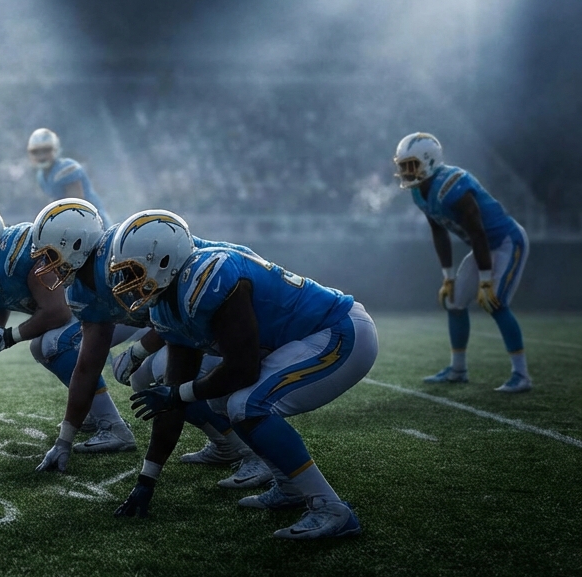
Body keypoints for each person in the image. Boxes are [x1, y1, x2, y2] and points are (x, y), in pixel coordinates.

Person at [99, 210, 377, 540]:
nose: (125, 285)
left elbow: (243, 370)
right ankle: (290, 486)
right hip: (302, 340)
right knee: (218, 399)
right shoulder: (167, 305)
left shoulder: (208, 276)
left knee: (246, 405)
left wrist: (179, 394)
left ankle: (331, 508)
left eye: (132, 272)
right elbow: (173, 398)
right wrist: (148, 479)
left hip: (338, 331)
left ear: (163, 262)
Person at [30, 201, 271, 488]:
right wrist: (64, 440)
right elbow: (86, 367)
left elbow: (180, 306)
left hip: (238, 319)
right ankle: (227, 443)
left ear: (76, 244)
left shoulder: (125, 261)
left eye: (49, 255)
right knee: (145, 378)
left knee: (167, 375)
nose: (44, 267)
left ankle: (261, 455)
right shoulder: (84, 287)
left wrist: (139, 349)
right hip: (195, 328)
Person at [0, 198, 135, 453]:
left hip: (127, 310)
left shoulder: (20, 255)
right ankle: (95, 413)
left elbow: (57, 312)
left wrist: (10, 336)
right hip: (96, 313)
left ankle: (112, 425)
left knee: (52, 343)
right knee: (44, 346)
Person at [394, 133, 532, 393]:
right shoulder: (420, 192)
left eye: (410, 165)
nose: (405, 172)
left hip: (505, 242)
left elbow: (479, 232)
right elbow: (438, 230)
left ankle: (521, 374)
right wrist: (448, 276)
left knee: (495, 301)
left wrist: (486, 280)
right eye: (402, 166)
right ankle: (458, 370)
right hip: (483, 247)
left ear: (429, 161)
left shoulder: (452, 186)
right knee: (454, 301)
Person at [26, 128, 110, 225]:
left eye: (46, 150)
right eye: (35, 152)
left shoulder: (67, 168)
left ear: (55, 149)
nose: (41, 156)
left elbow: (76, 206)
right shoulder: (41, 176)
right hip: (72, 223)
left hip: (92, 221)